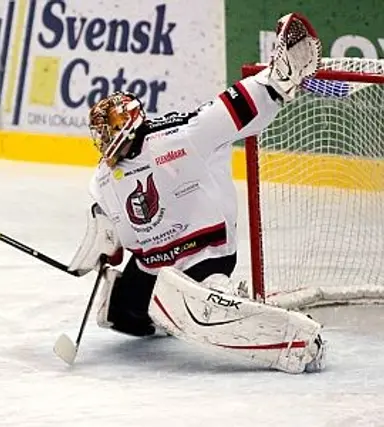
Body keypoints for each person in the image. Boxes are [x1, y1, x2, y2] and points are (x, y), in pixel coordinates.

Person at [67, 13, 326, 372]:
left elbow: (233, 107)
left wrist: (277, 77)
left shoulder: (183, 136)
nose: (105, 140)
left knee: (200, 308)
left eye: (109, 129)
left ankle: (284, 338)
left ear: (130, 121)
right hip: (156, 266)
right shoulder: (106, 177)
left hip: (205, 256)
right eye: (101, 134)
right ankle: (172, 310)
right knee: (118, 315)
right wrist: (96, 253)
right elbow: (106, 230)